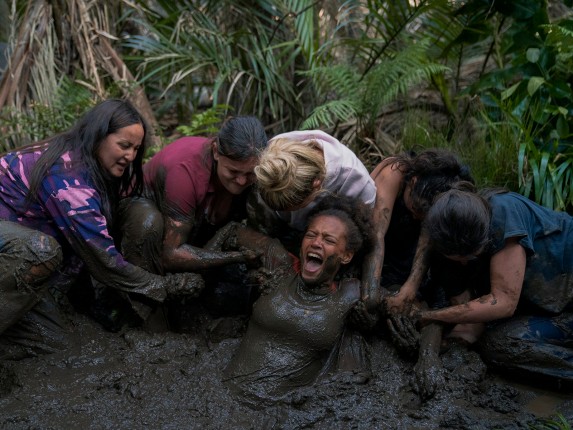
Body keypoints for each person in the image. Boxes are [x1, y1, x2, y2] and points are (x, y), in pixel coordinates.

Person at [0, 99, 200, 358]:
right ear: (98, 136)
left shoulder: (86, 163)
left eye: (136, 149)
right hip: (17, 251)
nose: (131, 156)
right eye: (124, 146)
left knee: (59, 346)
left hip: (17, 255)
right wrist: (166, 286)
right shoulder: (68, 178)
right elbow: (104, 261)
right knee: (41, 251)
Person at [222, 194, 375, 403]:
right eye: (311, 235)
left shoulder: (349, 295)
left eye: (328, 240)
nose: (316, 243)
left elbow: (403, 305)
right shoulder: (280, 267)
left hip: (282, 410)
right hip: (224, 395)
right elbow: (232, 231)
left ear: (346, 255)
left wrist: (427, 358)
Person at [116, 116, 267, 321]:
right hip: (136, 213)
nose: (241, 181)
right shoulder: (185, 171)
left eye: (250, 173)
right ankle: (144, 311)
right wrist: (236, 257)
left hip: (189, 221)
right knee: (148, 223)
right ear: (216, 151)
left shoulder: (253, 174)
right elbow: (170, 254)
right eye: (233, 171)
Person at [417, 188, 573, 385]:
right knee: (497, 345)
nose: (464, 263)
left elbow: (504, 303)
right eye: (458, 259)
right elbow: (471, 322)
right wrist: (451, 346)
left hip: (566, 294)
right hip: (546, 310)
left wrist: (431, 316)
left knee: (503, 343)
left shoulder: (503, 214)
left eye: (470, 256)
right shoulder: (446, 245)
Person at [366, 149, 474, 313]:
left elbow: (426, 244)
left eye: (423, 215)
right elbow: (376, 235)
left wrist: (409, 290)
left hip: (408, 246)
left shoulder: (444, 191)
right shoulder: (394, 173)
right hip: (381, 236)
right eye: (416, 209)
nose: (417, 216)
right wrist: (370, 293)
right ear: (413, 182)